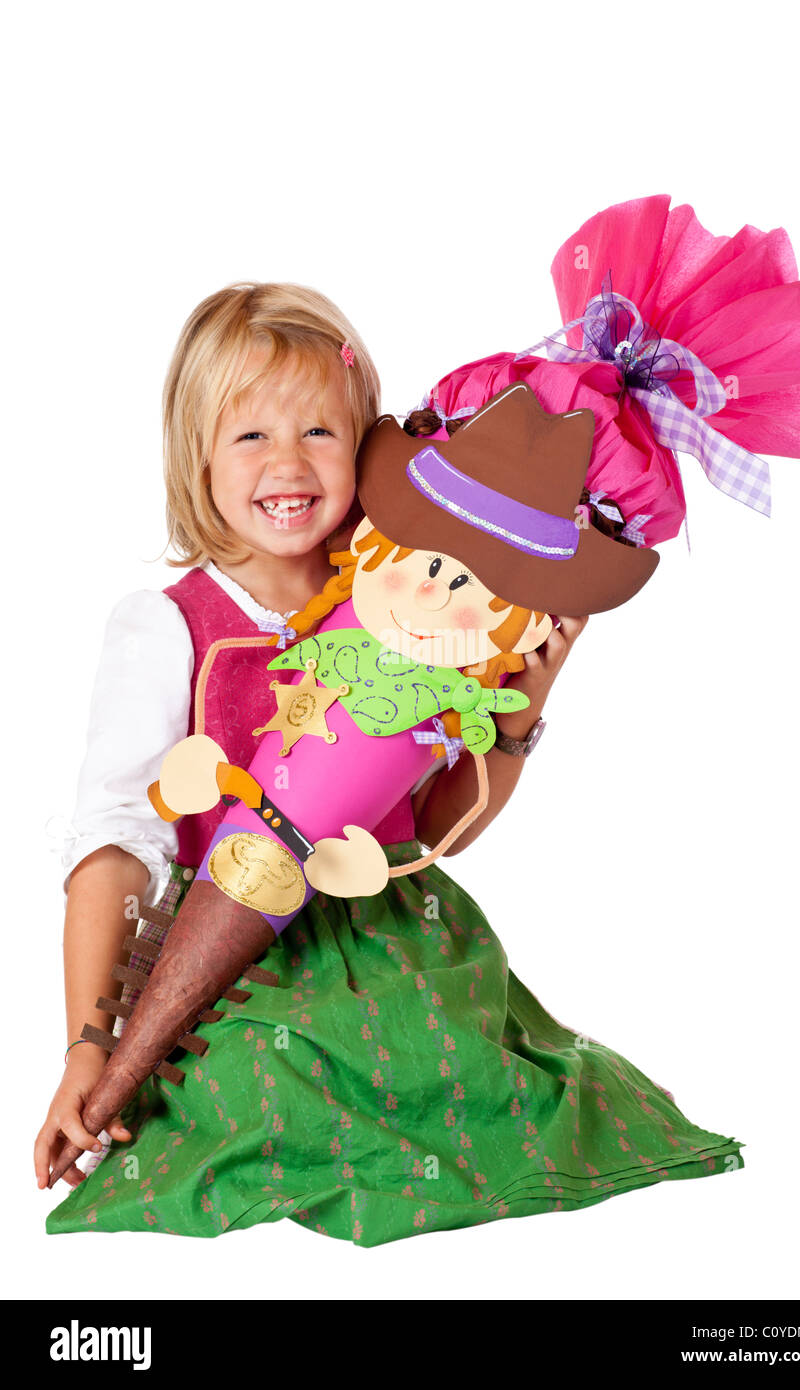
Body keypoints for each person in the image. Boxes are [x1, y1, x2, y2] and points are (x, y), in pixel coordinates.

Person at [35, 283, 589, 1228]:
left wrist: (524, 694)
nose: (287, 463)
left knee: (472, 1091)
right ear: (195, 452)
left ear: (369, 447)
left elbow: (437, 829)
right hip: (223, 966)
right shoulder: (167, 628)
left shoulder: (409, 603)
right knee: (261, 1083)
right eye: (250, 435)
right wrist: (90, 1044)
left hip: (393, 940)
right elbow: (116, 846)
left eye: (319, 434)